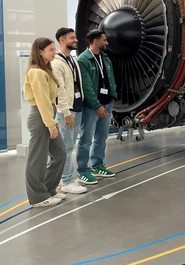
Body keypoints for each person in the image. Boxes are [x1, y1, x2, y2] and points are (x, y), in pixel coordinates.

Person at [23, 37, 67, 207]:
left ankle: (48, 189)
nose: (54, 52)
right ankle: (37, 197)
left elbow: (48, 103)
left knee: (60, 154)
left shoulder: (45, 71)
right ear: (40, 52)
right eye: (50, 50)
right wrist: (50, 124)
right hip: (40, 117)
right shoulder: (37, 73)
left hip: (47, 115)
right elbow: (42, 100)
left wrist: (52, 121)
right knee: (37, 159)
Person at [76, 30, 118, 185]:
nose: (107, 43)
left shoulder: (105, 58)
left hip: (107, 103)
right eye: (104, 40)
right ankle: (83, 171)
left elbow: (109, 79)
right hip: (92, 107)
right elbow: (86, 87)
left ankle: (97, 166)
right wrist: (96, 106)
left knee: (101, 137)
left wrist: (112, 97)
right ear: (95, 41)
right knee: (86, 139)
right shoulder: (83, 60)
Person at [52, 27, 87, 194]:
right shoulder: (56, 63)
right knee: (66, 146)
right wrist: (66, 113)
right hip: (68, 112)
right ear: (62, 40)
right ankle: (66, 181)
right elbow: (60, 91)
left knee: (70, 145)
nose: (76, 40)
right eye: (72, 38)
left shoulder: (72, 60)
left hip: (77, 107)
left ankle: (65, 178)